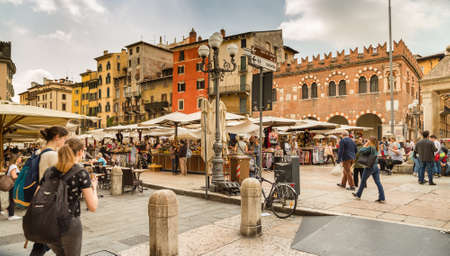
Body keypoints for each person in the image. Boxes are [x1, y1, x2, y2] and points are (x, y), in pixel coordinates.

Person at [40, 138, 98, 256]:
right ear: (81, 152)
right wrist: (94, 189)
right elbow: (92, 207)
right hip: (70, 224)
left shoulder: (50, 171)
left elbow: (38, 195)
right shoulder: (81, 173)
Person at [30, 126, 69, 256]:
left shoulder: (42, 152)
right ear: (57, 137)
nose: (64, 142)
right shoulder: (53, 155)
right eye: (64, 139)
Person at [352, 136, 385, 203]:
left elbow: (360, 151)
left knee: (363, 181)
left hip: (369, 167)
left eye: (368, 140)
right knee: (378, 182)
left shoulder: (370, 147)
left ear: (370, 141)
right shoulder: (375, 148)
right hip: (375, 167)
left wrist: (365, 144)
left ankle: (358, 195)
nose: (367, 141)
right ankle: (382, 197)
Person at [6, 154, 22, 221]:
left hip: (11, 184)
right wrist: (21, 176)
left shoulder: (12, 166)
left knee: (11, 199)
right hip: (12, 184)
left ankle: (11, 214)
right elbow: (14, 176)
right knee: (11, 199)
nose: (21, 159)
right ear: (17, 159)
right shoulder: (13, 166)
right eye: (20, 157)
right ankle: (11, 215)